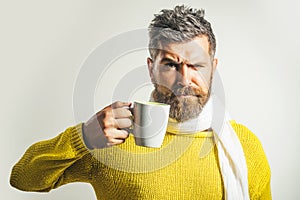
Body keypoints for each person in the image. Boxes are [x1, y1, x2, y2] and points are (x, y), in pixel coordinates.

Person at [10, 5, 271, 199]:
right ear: (151, 69)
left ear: (213, 68)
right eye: (170, 64)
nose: (184, 79)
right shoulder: (108, 138)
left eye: (196, 65)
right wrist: (82, 138)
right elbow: (23, 178)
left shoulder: (244, 146)